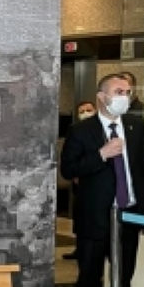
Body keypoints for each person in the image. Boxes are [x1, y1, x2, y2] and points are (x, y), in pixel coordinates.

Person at [60, 73, 144, 287]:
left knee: (123, 281)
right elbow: (68, 169)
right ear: (102, 97)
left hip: (128, 217)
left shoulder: (137, 127)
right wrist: (101, 154)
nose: (124, 96)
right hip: (95, 219)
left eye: (128, 91)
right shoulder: (82, 131)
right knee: (89, 281)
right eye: (118, 91)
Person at [61, 102, 98, 259]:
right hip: (79, 182)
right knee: (79, 216)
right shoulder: (76, 131)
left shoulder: (100, 132)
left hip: (95, 181)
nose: (85, 113)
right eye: (82, 111)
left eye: (89, 110)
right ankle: (80, 248)